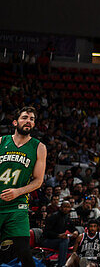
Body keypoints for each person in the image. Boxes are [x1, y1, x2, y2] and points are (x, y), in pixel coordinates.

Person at [0, 107, 46, 267]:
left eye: (32, 119)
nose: (29, 121)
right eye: (25, 117)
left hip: (17, 206)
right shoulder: (1, 141)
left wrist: (17, 191)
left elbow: (38, 181)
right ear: (15, 122)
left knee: (24, 251)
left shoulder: (38, 147)